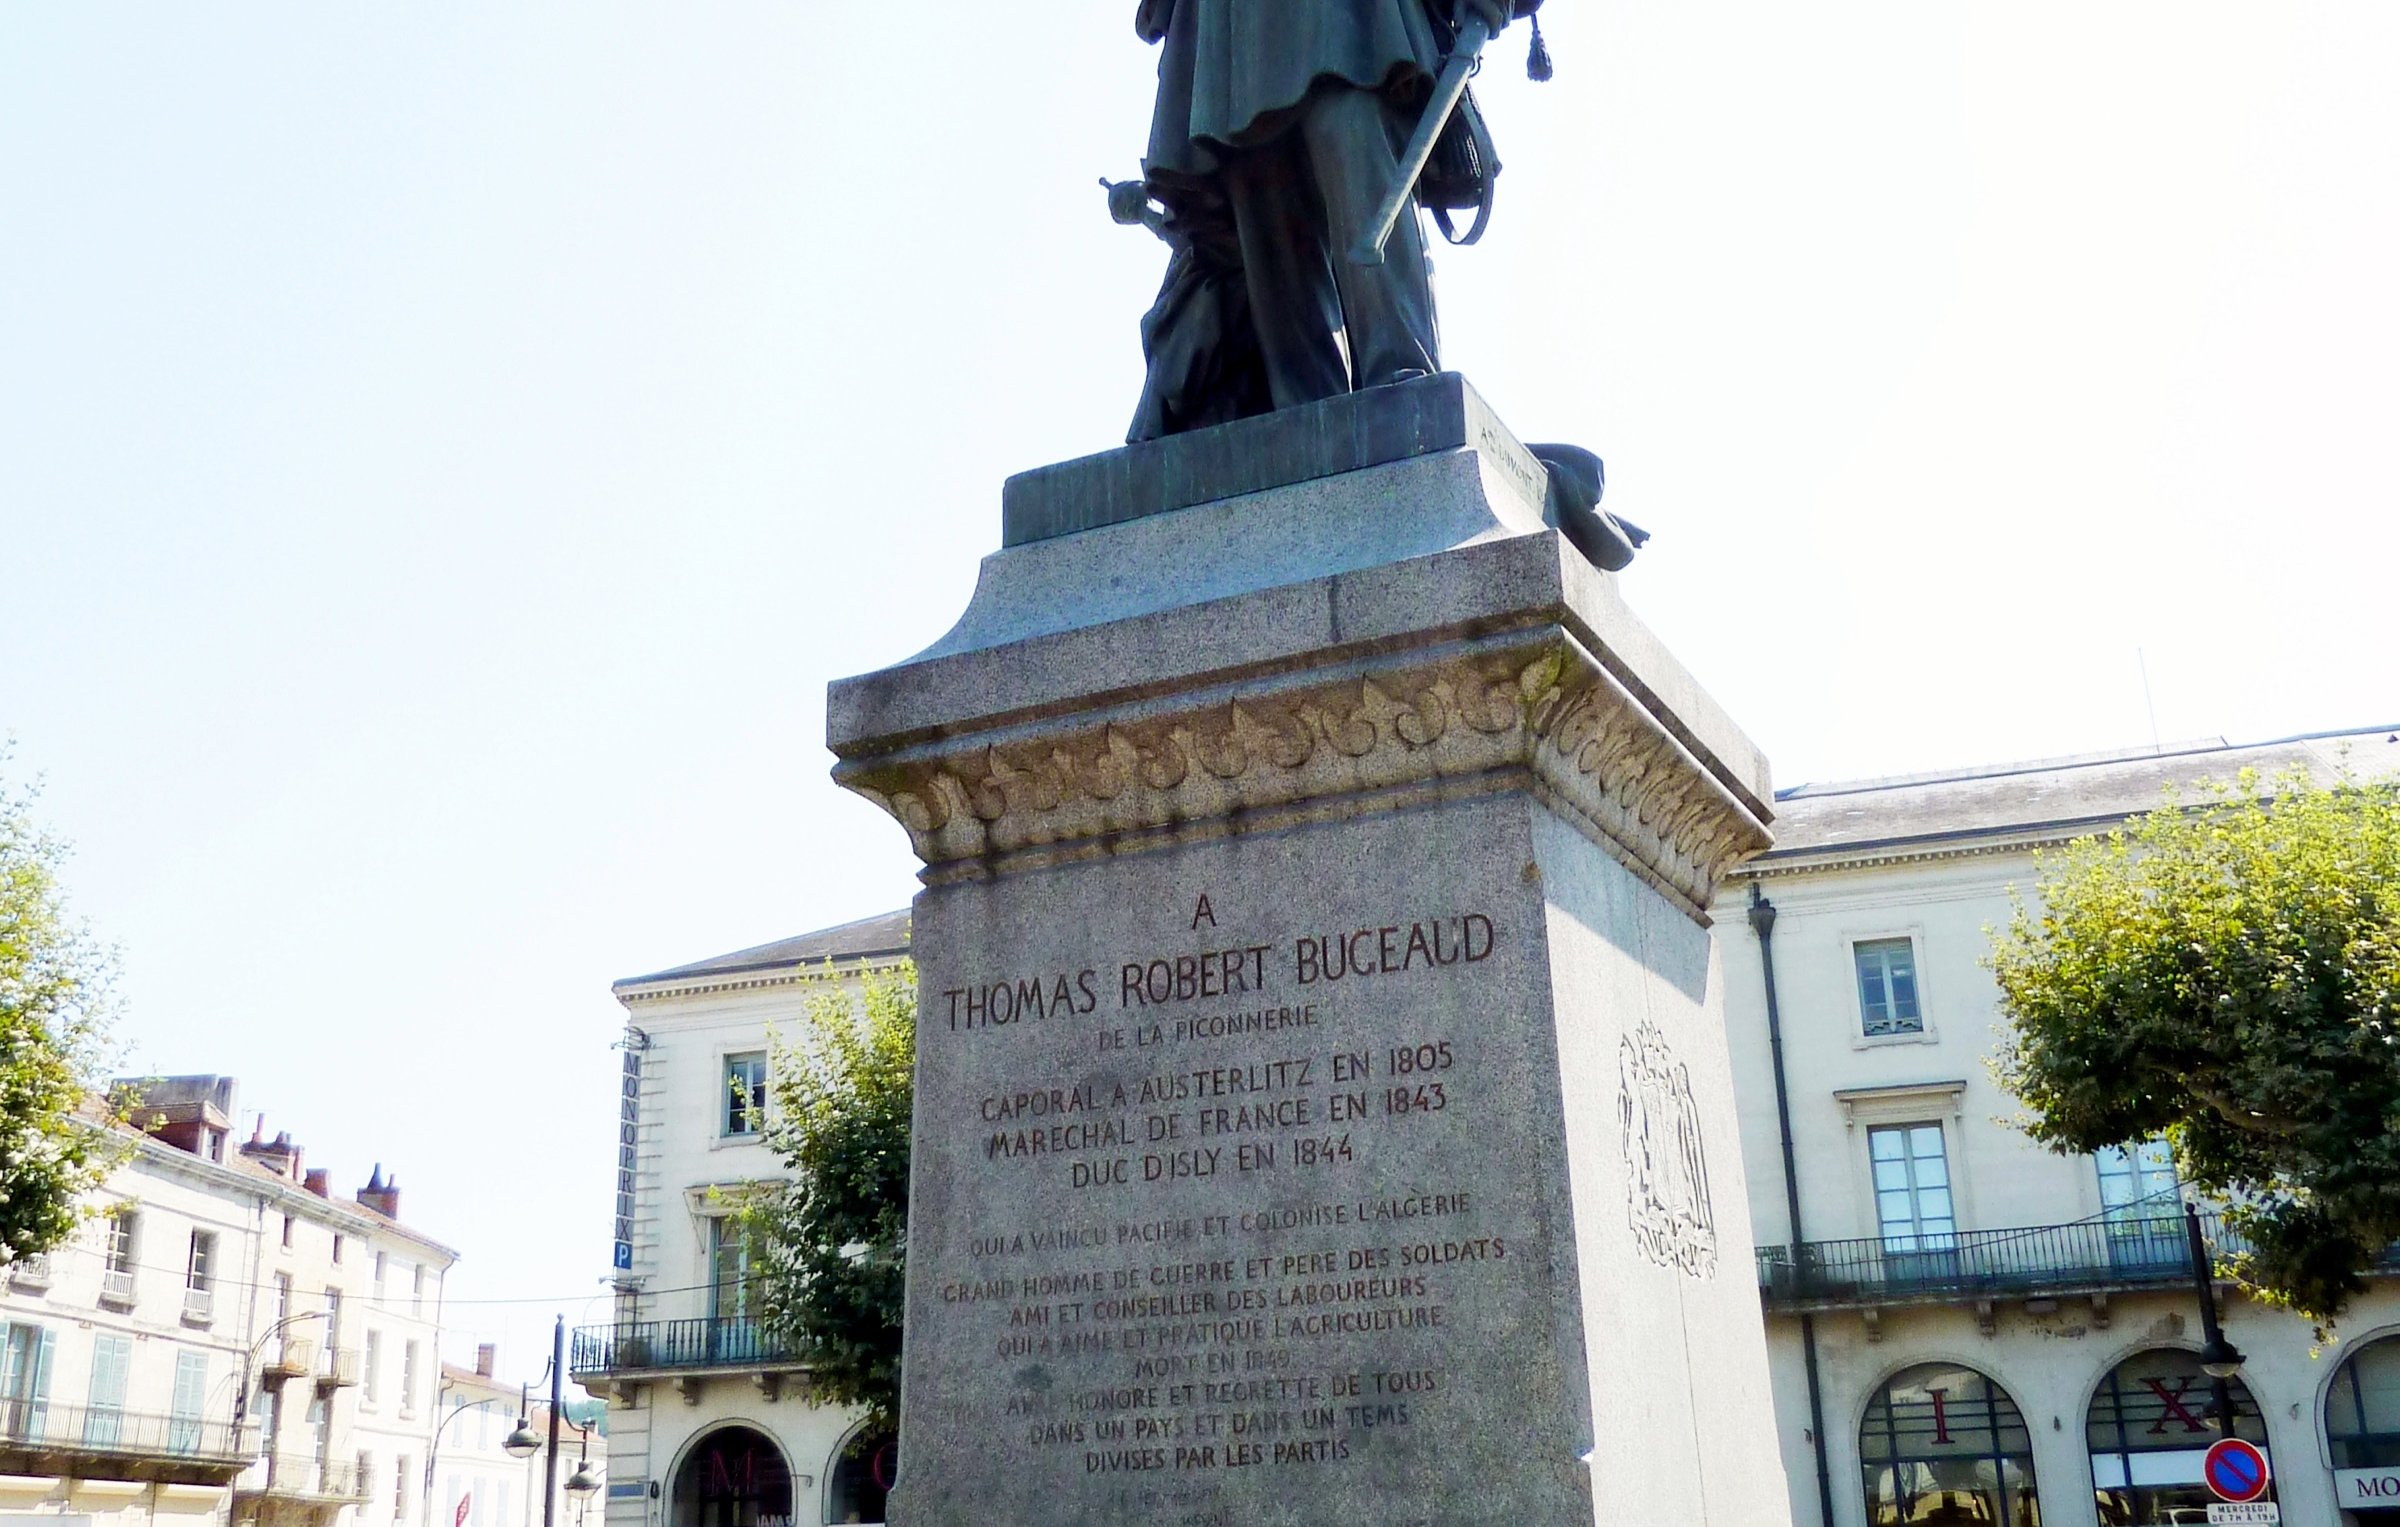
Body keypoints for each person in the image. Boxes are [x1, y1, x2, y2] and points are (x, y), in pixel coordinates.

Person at [1136, 0, 1524, 415]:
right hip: (1229, 23)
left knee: (1350, 131)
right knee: (1259, 180)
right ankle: (1305, 413)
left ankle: (1403, 381)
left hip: (1348, 17)